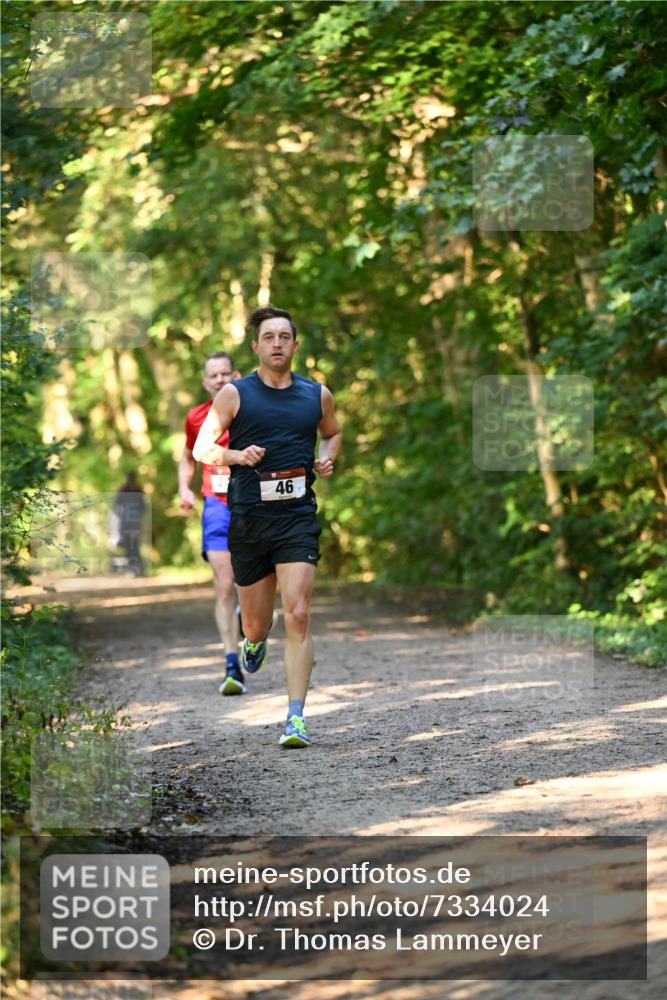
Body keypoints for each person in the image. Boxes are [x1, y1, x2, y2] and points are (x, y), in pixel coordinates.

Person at [193, 305, 342, 748]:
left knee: (297, 614)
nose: (277, 344)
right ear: (256, 347)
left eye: (285, 337)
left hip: (297, 518)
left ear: (295, 345)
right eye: (269, 338)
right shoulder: (234, 396)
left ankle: (295, 717)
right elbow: (204, 448)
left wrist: (326, 455)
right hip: (249, 522)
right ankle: (252, 643)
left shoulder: (317, 395)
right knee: (256, 626)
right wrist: (238, 457)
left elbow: (332, 432)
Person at [178, 352, 245, 696]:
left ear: (236, 374)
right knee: (224, 582)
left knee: (252, 582)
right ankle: (232, 664)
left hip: (253, 504)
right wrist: (184, 488)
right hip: (217, 505)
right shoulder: (196, 417)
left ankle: (248, 623)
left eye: (225, 373)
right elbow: (188, 456)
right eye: (213, 376)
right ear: (205, 383)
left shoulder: (253, 408)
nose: (219, 380)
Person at [112, 471, 147, 576]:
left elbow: (116, 507)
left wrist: (120, 517)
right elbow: (144, 508)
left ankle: (133, 569)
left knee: (129, 546)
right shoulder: (139, 490)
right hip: (135, 523)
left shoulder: (122, 490)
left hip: (125, 523)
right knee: (134, 545)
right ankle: (136, 569)